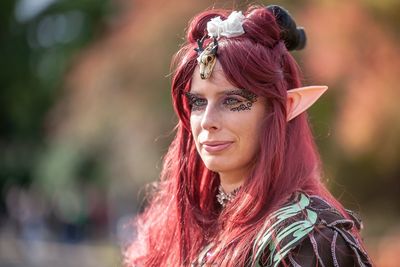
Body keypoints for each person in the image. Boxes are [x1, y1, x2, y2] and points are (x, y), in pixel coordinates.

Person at [124, 5, 372, 267]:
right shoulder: (191, 229)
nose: (207, 121)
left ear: (284, 108)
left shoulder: (308, 239)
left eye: (232, 101)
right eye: (198, 102)